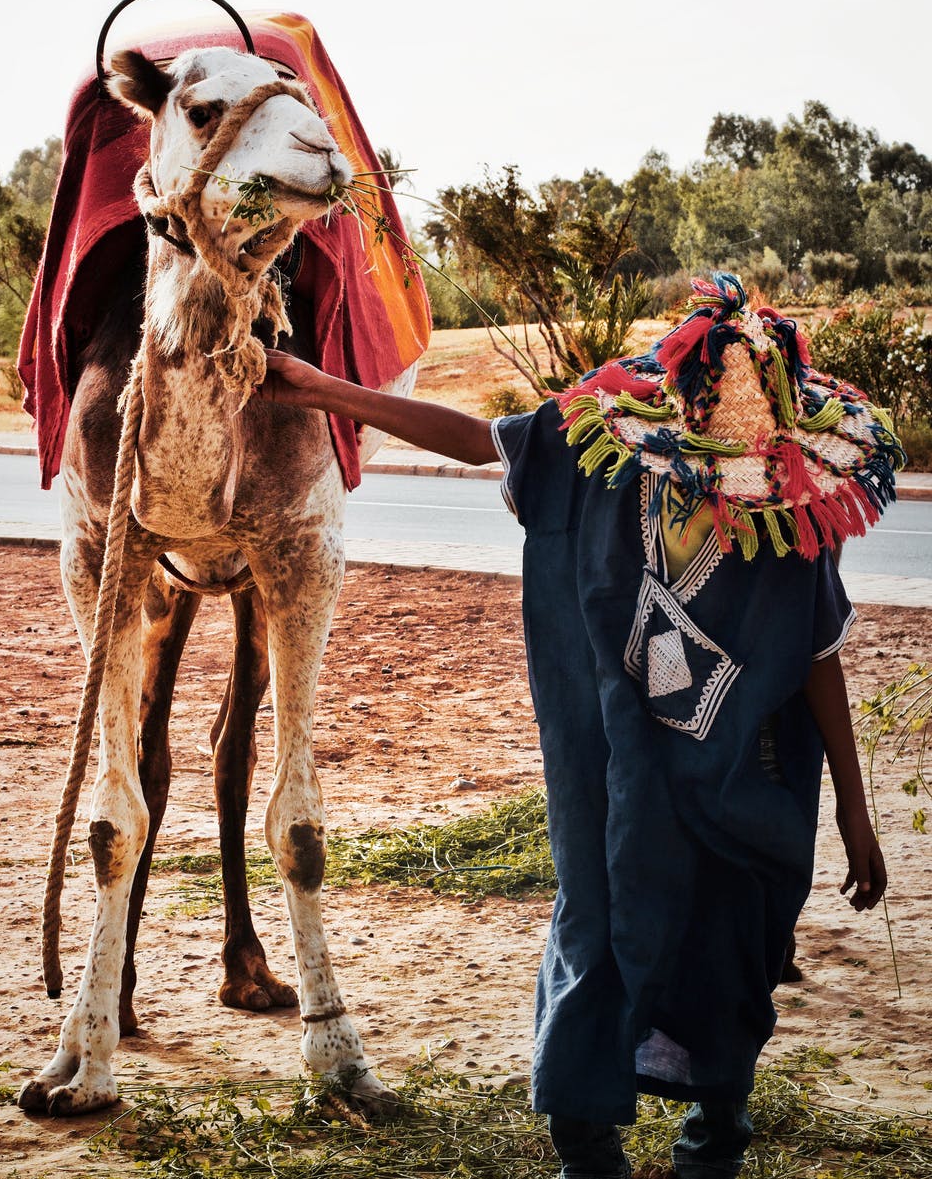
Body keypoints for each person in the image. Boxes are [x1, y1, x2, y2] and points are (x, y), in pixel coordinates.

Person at [261, 273, 896, 1178]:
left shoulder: (788, 522)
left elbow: (818, 656)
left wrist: (855, 815)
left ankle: (715, 1135)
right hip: (616, 778)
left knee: (731, 945)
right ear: (677, 429)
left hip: (742, 787)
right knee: (598, 931)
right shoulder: (601, 460)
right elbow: (479, 441)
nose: (734, 485)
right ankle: (586, 1142)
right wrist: (322, 388)